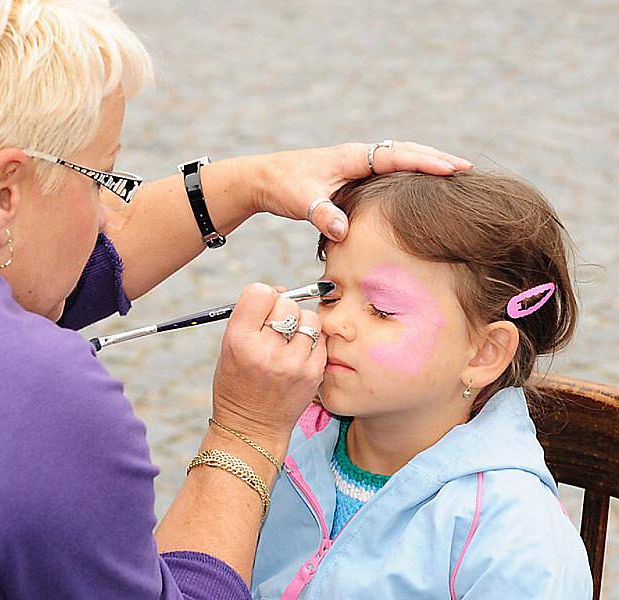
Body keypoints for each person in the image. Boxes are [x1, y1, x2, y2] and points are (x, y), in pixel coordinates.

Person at [0, 1, 472, 598]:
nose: (110, 215)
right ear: (3, 194)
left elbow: (11, 279)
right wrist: (244, 431)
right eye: (101, 177)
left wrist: (251, 181)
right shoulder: (24, 391)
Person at [251, 170, 593, 599]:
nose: (334, 322)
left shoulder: (514, 538)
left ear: (483, 353)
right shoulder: (281, 435)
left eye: (382, 309)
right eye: (330, 294)